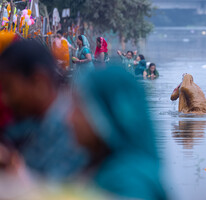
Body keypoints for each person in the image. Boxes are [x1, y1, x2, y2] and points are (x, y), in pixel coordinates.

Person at [68, 65, 166, 199]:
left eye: (78, 108)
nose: (69, 118)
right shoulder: (100, 169)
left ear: (102, 116)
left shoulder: (129, 184)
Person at [0, 40, 89, 180]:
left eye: (9, 88)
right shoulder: (33, 121)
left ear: (39, 81)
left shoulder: (74, 130)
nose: (5, 99)